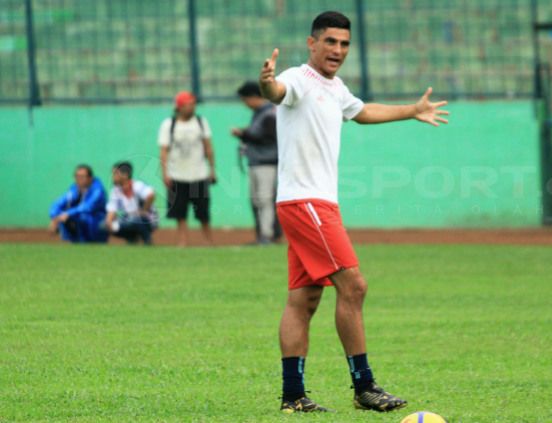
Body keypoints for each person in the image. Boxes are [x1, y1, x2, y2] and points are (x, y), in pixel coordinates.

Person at [258, 11, 449, 413]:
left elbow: (361, 112)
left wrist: (411, 110)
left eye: (344, 44)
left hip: (314, 202)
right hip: (305, 202)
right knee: (354, 286)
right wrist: (267, 84)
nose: (338, 50)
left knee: (304, 299)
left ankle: (293, 396)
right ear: (312, 43)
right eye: (330, 42)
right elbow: (277, 92)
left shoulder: (335, 87)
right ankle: (364, 387)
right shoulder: (297, 79)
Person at [158, 91, 216, 247]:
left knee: (203, 211)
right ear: (179, 107)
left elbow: (208, 147)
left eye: (193, 104)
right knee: (179, 212)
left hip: (199, 174)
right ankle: (183, 241)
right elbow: (164, 151)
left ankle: (208, 241)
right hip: (177, 175)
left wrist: (212, 169)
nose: (192, 107)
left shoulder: (201, 122)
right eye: (188, 104)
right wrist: (165, 173)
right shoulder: (168, 125)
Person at [231, 81, 282, 245]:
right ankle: (263, 235)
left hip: (266, 162)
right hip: (257, 162)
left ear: (253, 97)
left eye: (245, 99)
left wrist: (243, 134)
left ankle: (268, 235)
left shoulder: (269, 113)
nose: (244, 103)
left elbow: (267, 137)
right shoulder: (261, 113)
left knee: (265, 199)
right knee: (257, 200)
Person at [48, 164, 109, 243]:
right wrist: (55, 216)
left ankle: (91, 243)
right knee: (66, 217)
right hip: (82, 219)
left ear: (90, 178)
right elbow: (57, 204)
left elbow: (88, 207)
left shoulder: (98, 190)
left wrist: (67, 214)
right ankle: (73, 243)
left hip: (97, 222)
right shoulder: (74, 188)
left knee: (79, 217)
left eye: (82, 177)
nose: (78, 179)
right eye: (76, 176)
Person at [104, 161, 158, 245]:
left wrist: (144, 210)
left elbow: (151, 195)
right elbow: (112, 209)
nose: (113, 177)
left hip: (147, 219)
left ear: (125, 175)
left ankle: (148, 240)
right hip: (129, 219)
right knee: (103, 225)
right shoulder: (115, 190)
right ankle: (131, 238)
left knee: (136, 220)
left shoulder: (137, 186)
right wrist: (109, 222)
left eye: (115, 174)